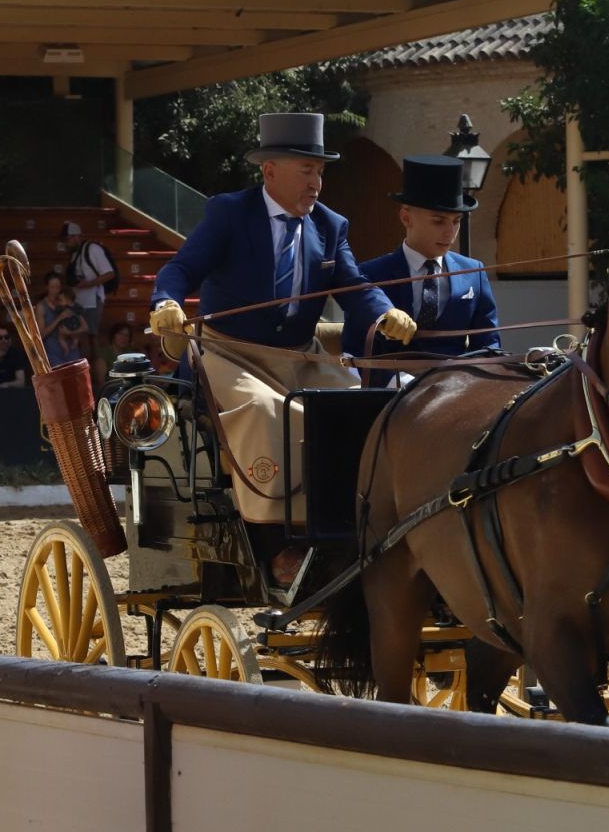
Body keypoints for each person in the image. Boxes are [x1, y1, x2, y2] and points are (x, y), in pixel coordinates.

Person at [148, 113, 412, 582]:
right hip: (226, 354)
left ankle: (359, 528)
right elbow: (181, 268)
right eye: (306, 170)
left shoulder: (331, 225)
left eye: (320, 171)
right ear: (270, 171)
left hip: (299, 354)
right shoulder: (229, 212)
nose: (317, 182)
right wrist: (166, 301)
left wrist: (384, 311)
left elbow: (355, 286)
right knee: (265, 411)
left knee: (363, 407)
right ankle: (279, 546)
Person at [341, 155, 499, 387]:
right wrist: (403, 385)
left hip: (457, 392)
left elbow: (488, 347)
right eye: (438, 221)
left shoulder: (473, 272)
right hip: (389, 396)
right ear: (406, 217)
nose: (450, 232)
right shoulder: (370, 275)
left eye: (457, 221)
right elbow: (355, 352)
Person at [64, 221, 117, 338]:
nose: (66, 244)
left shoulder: (93, 249)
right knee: (81, 336)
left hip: (93, 300)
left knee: (90, 335)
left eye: (67, 240)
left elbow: (110, 273)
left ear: (76, 236)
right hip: (79, 299)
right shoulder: (75, 254)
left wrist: (88, 284)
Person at [38, 271, 87, 368]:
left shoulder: (68, 303)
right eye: (52, 287)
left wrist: (71, 333)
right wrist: (59, 318)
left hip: (70, 344)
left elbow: (84, 327)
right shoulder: (42, 306)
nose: (56, 290)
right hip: (52, 348)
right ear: (47, 287)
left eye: (58, 287)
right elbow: (41, 335)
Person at [0, 324, 29, 389]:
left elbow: (21, 382)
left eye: (6, 337)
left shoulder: (17, 354)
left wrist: (6, 385)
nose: (4, 340)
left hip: (12, 392)